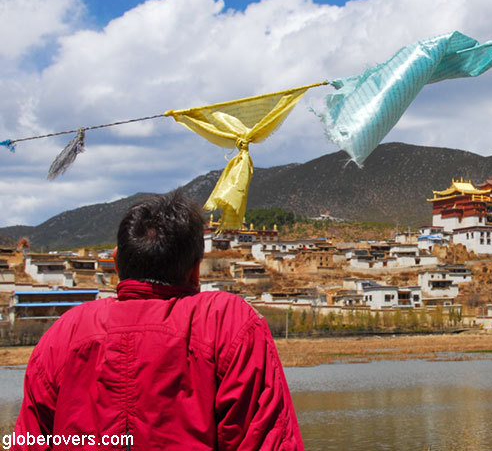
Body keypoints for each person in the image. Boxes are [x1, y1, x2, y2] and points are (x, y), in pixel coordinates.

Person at [14, 191, 303, 450]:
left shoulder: (64, 333)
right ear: (195, 270)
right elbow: (268, 440)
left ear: (116, 264)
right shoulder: (226, 322)